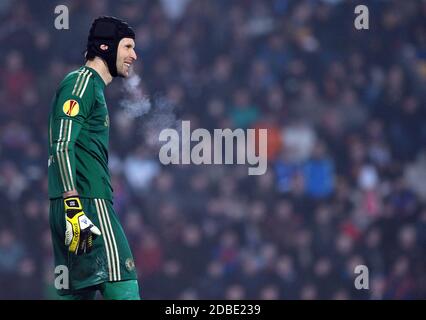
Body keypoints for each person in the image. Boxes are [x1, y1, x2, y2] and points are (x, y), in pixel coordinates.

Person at [47, 16, 139, 300]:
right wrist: (74, 207)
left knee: (76, 292)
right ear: (105, 47)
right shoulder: (82, 83)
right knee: (123, 281)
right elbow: (61, 145)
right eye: (128, 46)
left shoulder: (92, 87)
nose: (133, 55)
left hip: (73, 205)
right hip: (87, 204)